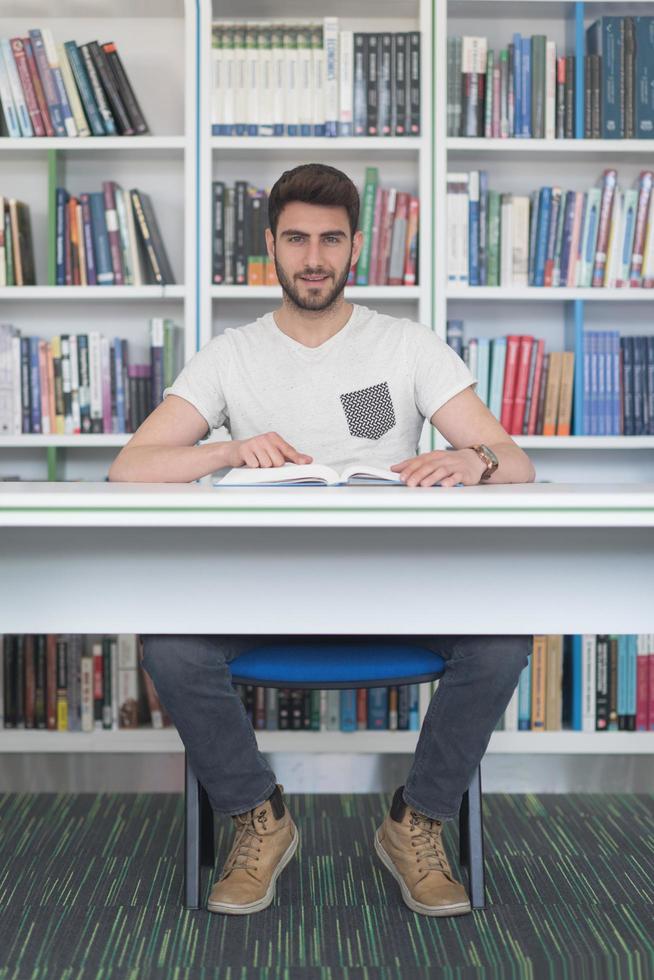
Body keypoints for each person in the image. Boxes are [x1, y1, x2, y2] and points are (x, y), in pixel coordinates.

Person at [108, 163, 535, 918]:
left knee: (501, 638)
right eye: (297, 238)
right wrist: (226, 450)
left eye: (330, 240)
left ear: (355, 246)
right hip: (263, 593)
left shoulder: (406, 346)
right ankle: (255, 818)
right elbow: (130, 467)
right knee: (172, 646)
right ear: (270, 244)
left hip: (393, 591)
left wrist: (477, 458)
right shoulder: (231, 355)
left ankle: (420, 823)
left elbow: (517, 463)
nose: (314, 257)